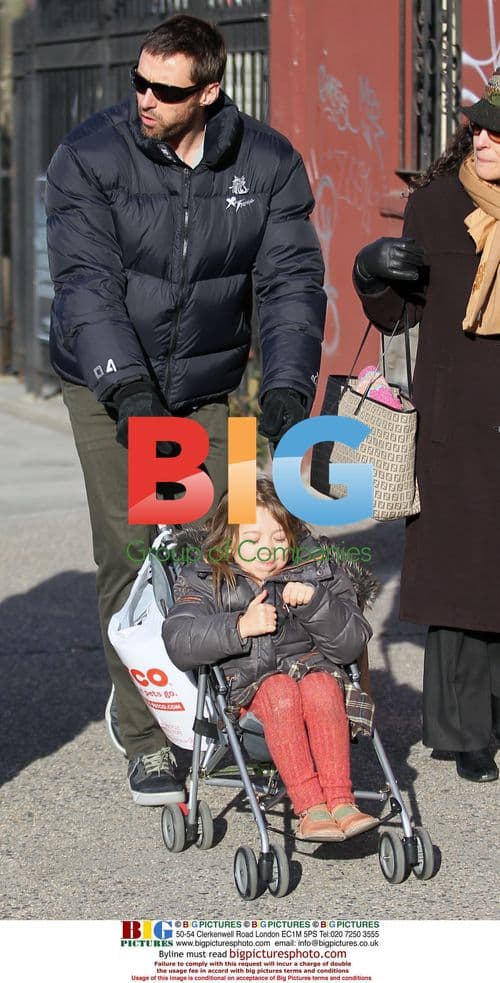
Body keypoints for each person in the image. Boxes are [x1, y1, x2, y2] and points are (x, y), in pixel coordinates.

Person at [45, 15, 326, 805]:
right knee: (137, 549)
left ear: (208, 91)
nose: (145, 99)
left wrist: (286, 387)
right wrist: (128, 391)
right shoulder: (89, 155)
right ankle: (146, 735)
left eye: (166, 90)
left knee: (234, 543)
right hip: (107, 385)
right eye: (139, 82)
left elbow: (291, 283)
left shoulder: (266, 163)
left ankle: (238, 712)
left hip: (209, 385)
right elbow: (86, 286)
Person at [352, 68, 500, 783]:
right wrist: (371, 273)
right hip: (458, 417)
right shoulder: (438, 205)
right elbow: (398, 314)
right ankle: (466, 730)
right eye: (480, 128)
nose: (484, 141)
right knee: (465, 574)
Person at [164, 477, 378, 841]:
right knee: (280, 691)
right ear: (227, 540)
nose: (267, 550)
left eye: (279, 539)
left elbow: (351, 643)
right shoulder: (206, 578)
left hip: (316, 680)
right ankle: (311, 806)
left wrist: (316, 604)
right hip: (249, 697)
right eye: (253, 539)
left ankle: (341, 801)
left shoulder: (317, 570)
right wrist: (239, 626)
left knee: (323, 686)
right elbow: (179, 639)